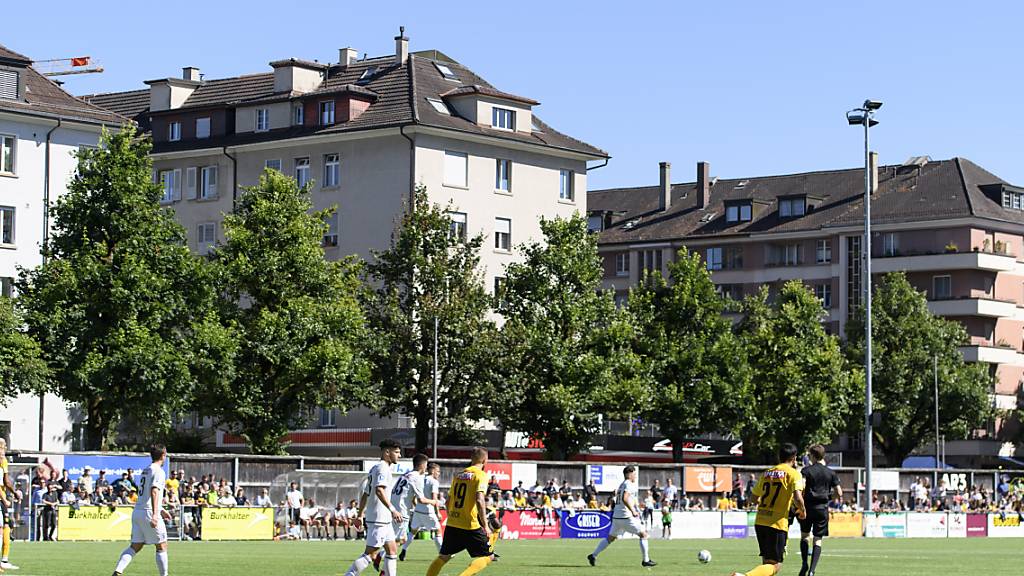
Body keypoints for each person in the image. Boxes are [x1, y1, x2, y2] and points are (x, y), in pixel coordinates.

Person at [730, 443, 806, 576]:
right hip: (776, 523)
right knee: (775, 566)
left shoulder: (767, 473)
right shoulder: (794, 474)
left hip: (761, 521)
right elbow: (798, 498)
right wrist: (803, 511)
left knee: (766, 563)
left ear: (779, 456)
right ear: (794, 458)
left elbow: (753, 498)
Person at [425, 447, 495, 576]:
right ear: (485, 460)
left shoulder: (459, 475)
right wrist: (485, 525)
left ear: (471, 458)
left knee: (443, 556)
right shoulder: (481, 475)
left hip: (452, 523)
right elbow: (479, 500)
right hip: (470, 525)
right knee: (488, 557)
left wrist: (452, 516)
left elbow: (447, 502)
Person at [343, 438, 402, 576]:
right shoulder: (382, 469)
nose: (399, 455)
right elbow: (379, 490)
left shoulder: (375, 468)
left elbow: (365, 494)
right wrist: (393, 510)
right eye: (397, 452)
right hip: (379, 519)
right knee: (370, 554)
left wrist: (359, 515)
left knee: (392, 550)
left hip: (383, 520)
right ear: (387, 452)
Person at [111, 444, 170, 576]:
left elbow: (146, 494)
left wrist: (160, 509)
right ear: (163, 455)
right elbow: (154, 491)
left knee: (135, 546)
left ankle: (118, 571)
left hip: (138, 511)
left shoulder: (146, 470)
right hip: (149, 512)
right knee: (162, 546)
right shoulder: (159, 471)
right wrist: (155, 514)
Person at [587, 465, 656, 568]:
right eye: (634, 474)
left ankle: (593, 555)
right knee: (644, 535)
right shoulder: (628, 484)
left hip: (617, 516)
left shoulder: (622, 485)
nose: (635, 476)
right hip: (625, 516)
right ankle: (645, 560)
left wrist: (636, 506)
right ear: (630, 473)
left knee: (610, 538)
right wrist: (633, 511)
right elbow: (624, 498)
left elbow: (626, 499)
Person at [797, 444, 841, 576]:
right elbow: (839, 492)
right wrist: (828, 497)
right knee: (818, 539)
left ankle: (804, 563)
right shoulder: (831, 472)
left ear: (813, 456)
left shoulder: (806, 470)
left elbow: (802, 487)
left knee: (805, 536)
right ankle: (812, 570)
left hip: (807, 507)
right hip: (822, 508)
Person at [400, 457, 441, 561]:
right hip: (428, 511)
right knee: (438, 531)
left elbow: (414, 496)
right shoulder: (434, 482)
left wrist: (416, 506)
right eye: (438, 471)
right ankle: (442, 553)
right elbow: (434, 499)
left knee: (412, 532)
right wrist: (438, 512)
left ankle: (404, 549)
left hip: (418, 510)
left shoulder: (421, 478)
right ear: (432, 470)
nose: (439, 473)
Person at [0, 438, 16, 570]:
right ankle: (3, 560)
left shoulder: (3, 461)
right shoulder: (2, 460)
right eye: (4, 446)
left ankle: (4, 560)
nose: (5, 449)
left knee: (6, 526)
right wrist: (5, 498)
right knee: (3, 528)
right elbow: (4, 482)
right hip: (0, 499)